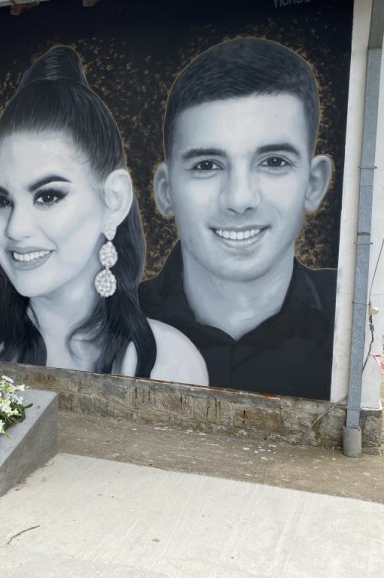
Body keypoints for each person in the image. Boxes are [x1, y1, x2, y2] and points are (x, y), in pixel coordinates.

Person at [0, 46, 207, 385]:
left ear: (114, 200)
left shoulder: (170, 364)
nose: (15, 228)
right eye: (0, 201)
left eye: (48, 196)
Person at [139, 38, 336, 399]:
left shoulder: (349, 313)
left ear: (313, 184)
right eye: (207, 165)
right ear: (165, 190)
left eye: (273, 162)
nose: (239, 199)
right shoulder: (116, 321)